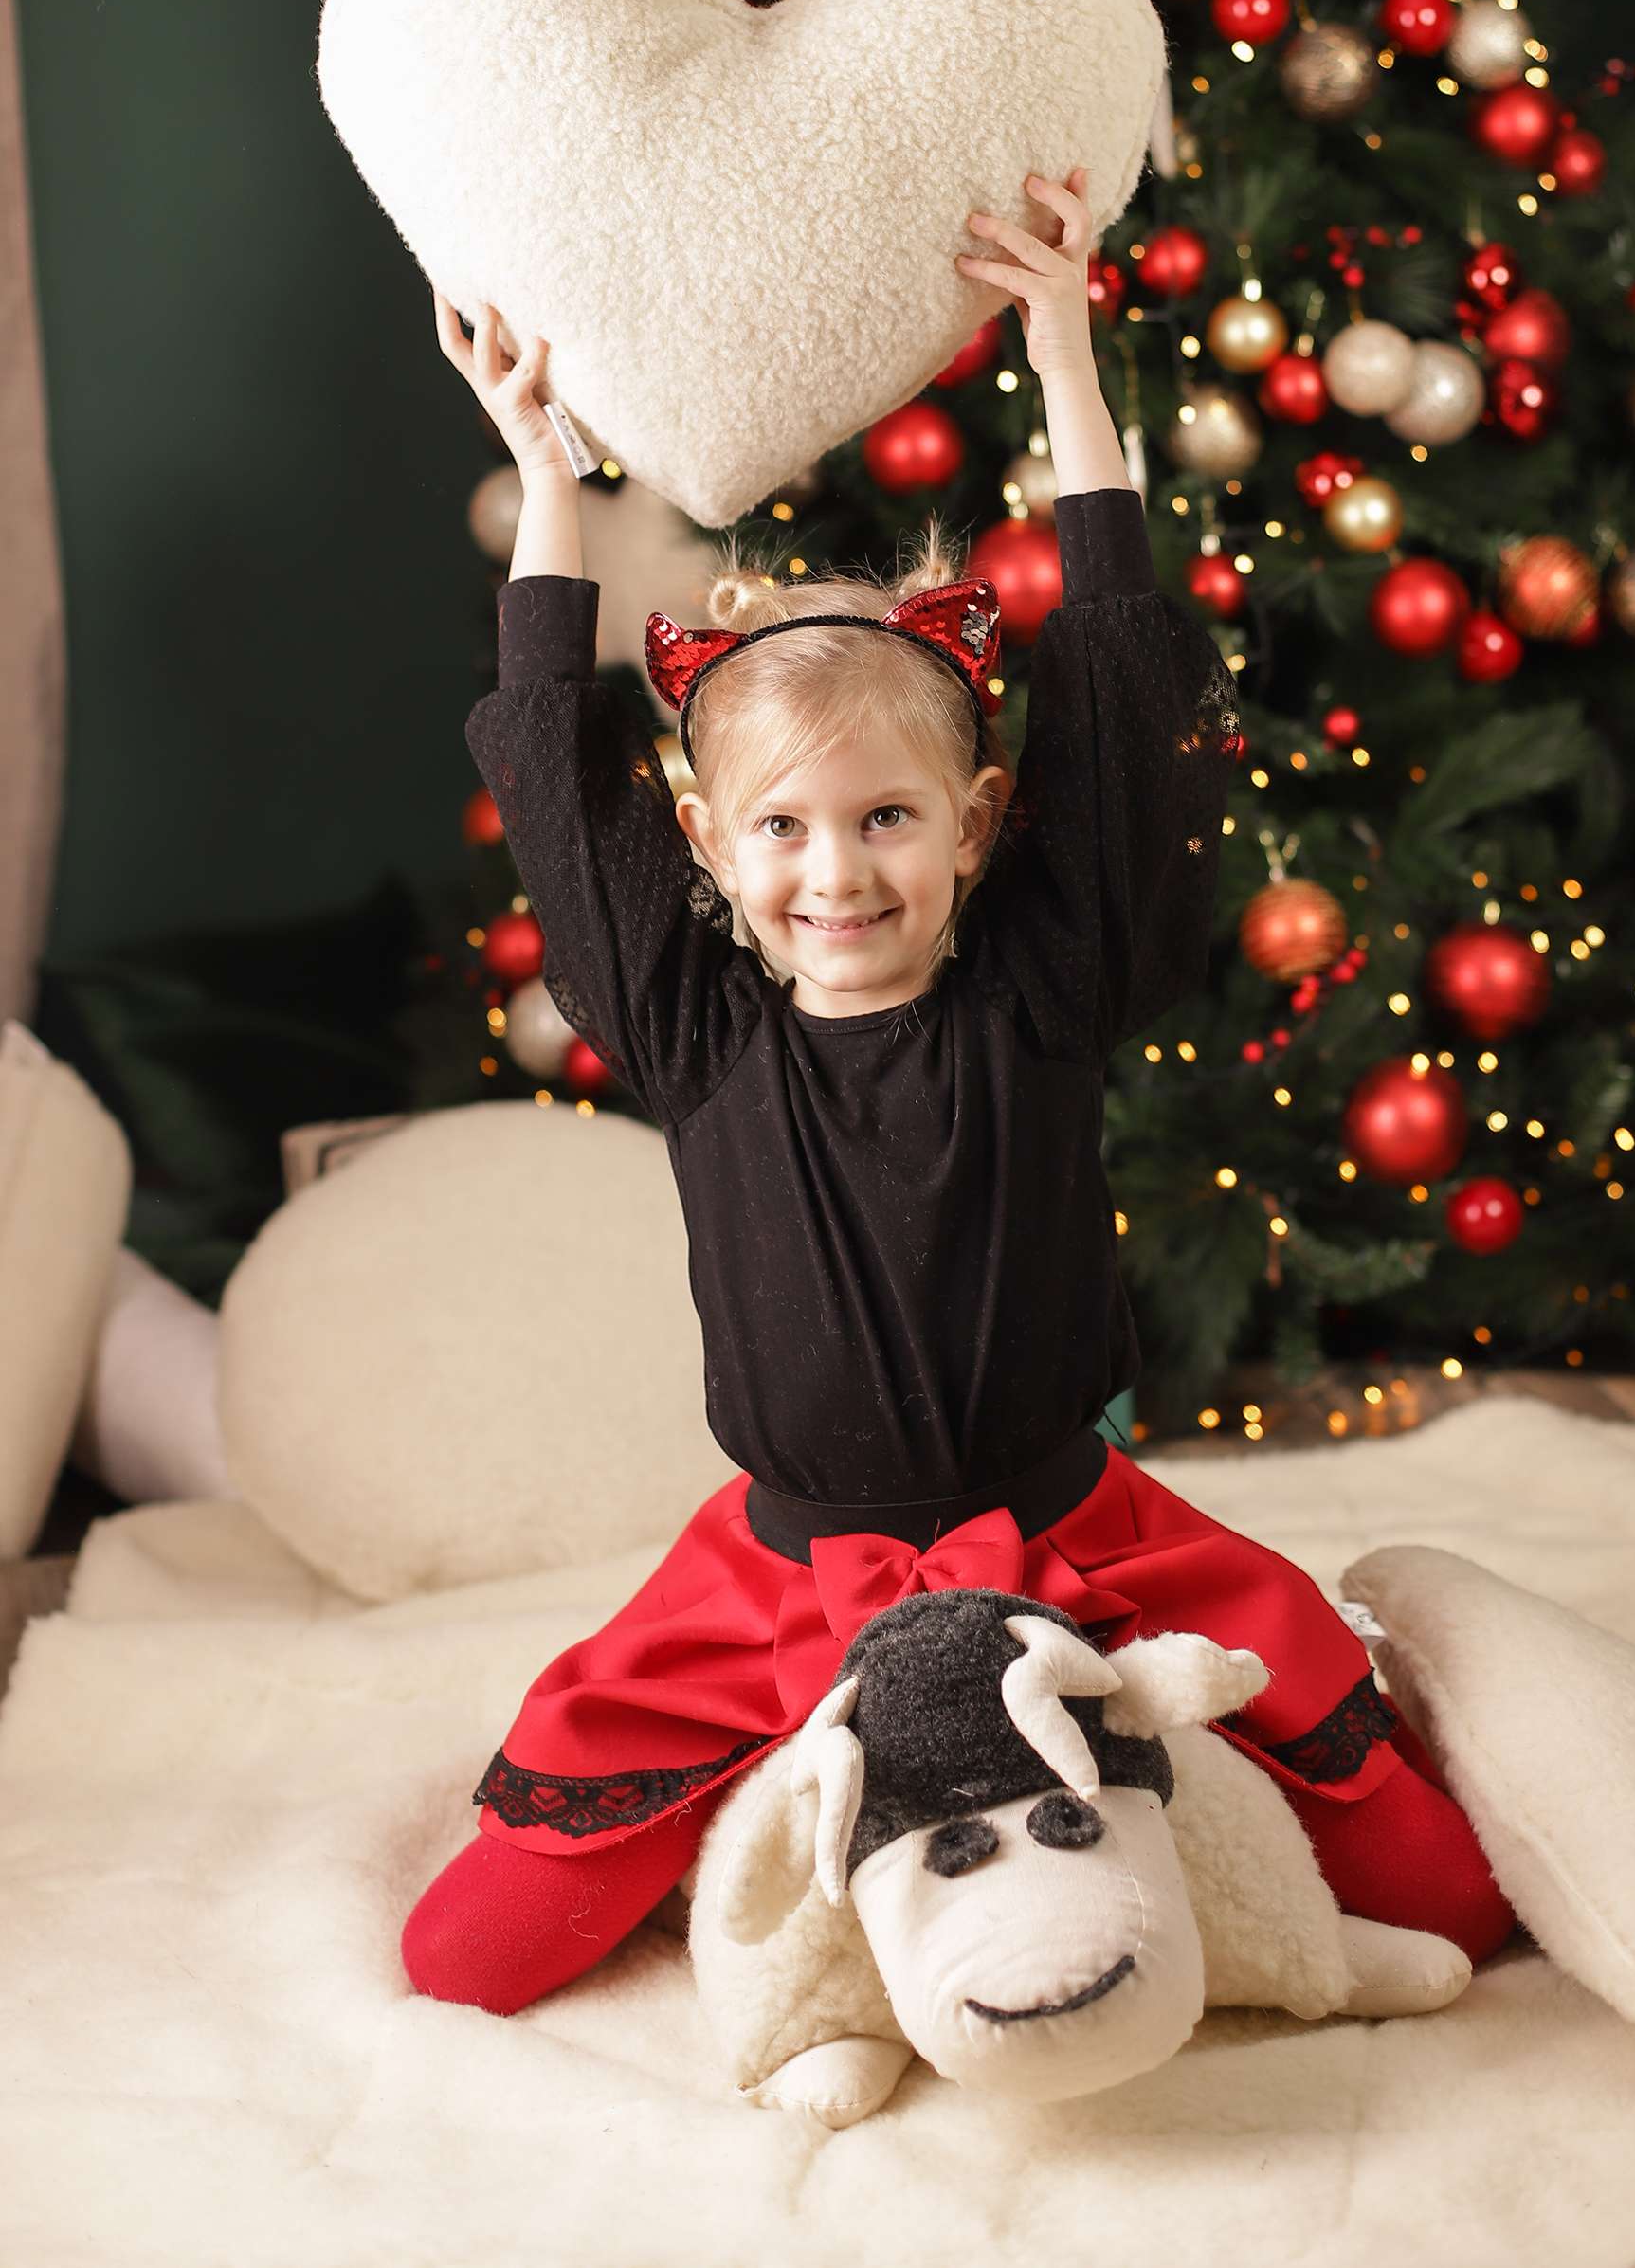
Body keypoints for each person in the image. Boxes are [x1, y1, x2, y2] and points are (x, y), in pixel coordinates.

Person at [403, 170, 1513, 2018]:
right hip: (774, 1570)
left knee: (1451, 1899)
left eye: (885, 818)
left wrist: (1065, 357)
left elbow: (1114, 680)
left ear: (974, 825)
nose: (832, 872)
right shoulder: (695, 1026)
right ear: (707, 843)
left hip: (1077, 1524)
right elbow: (548, 756)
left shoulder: (1040, 978)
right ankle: (808, 1802)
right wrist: (546, 476)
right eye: (781, 829)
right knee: (461, 1960)